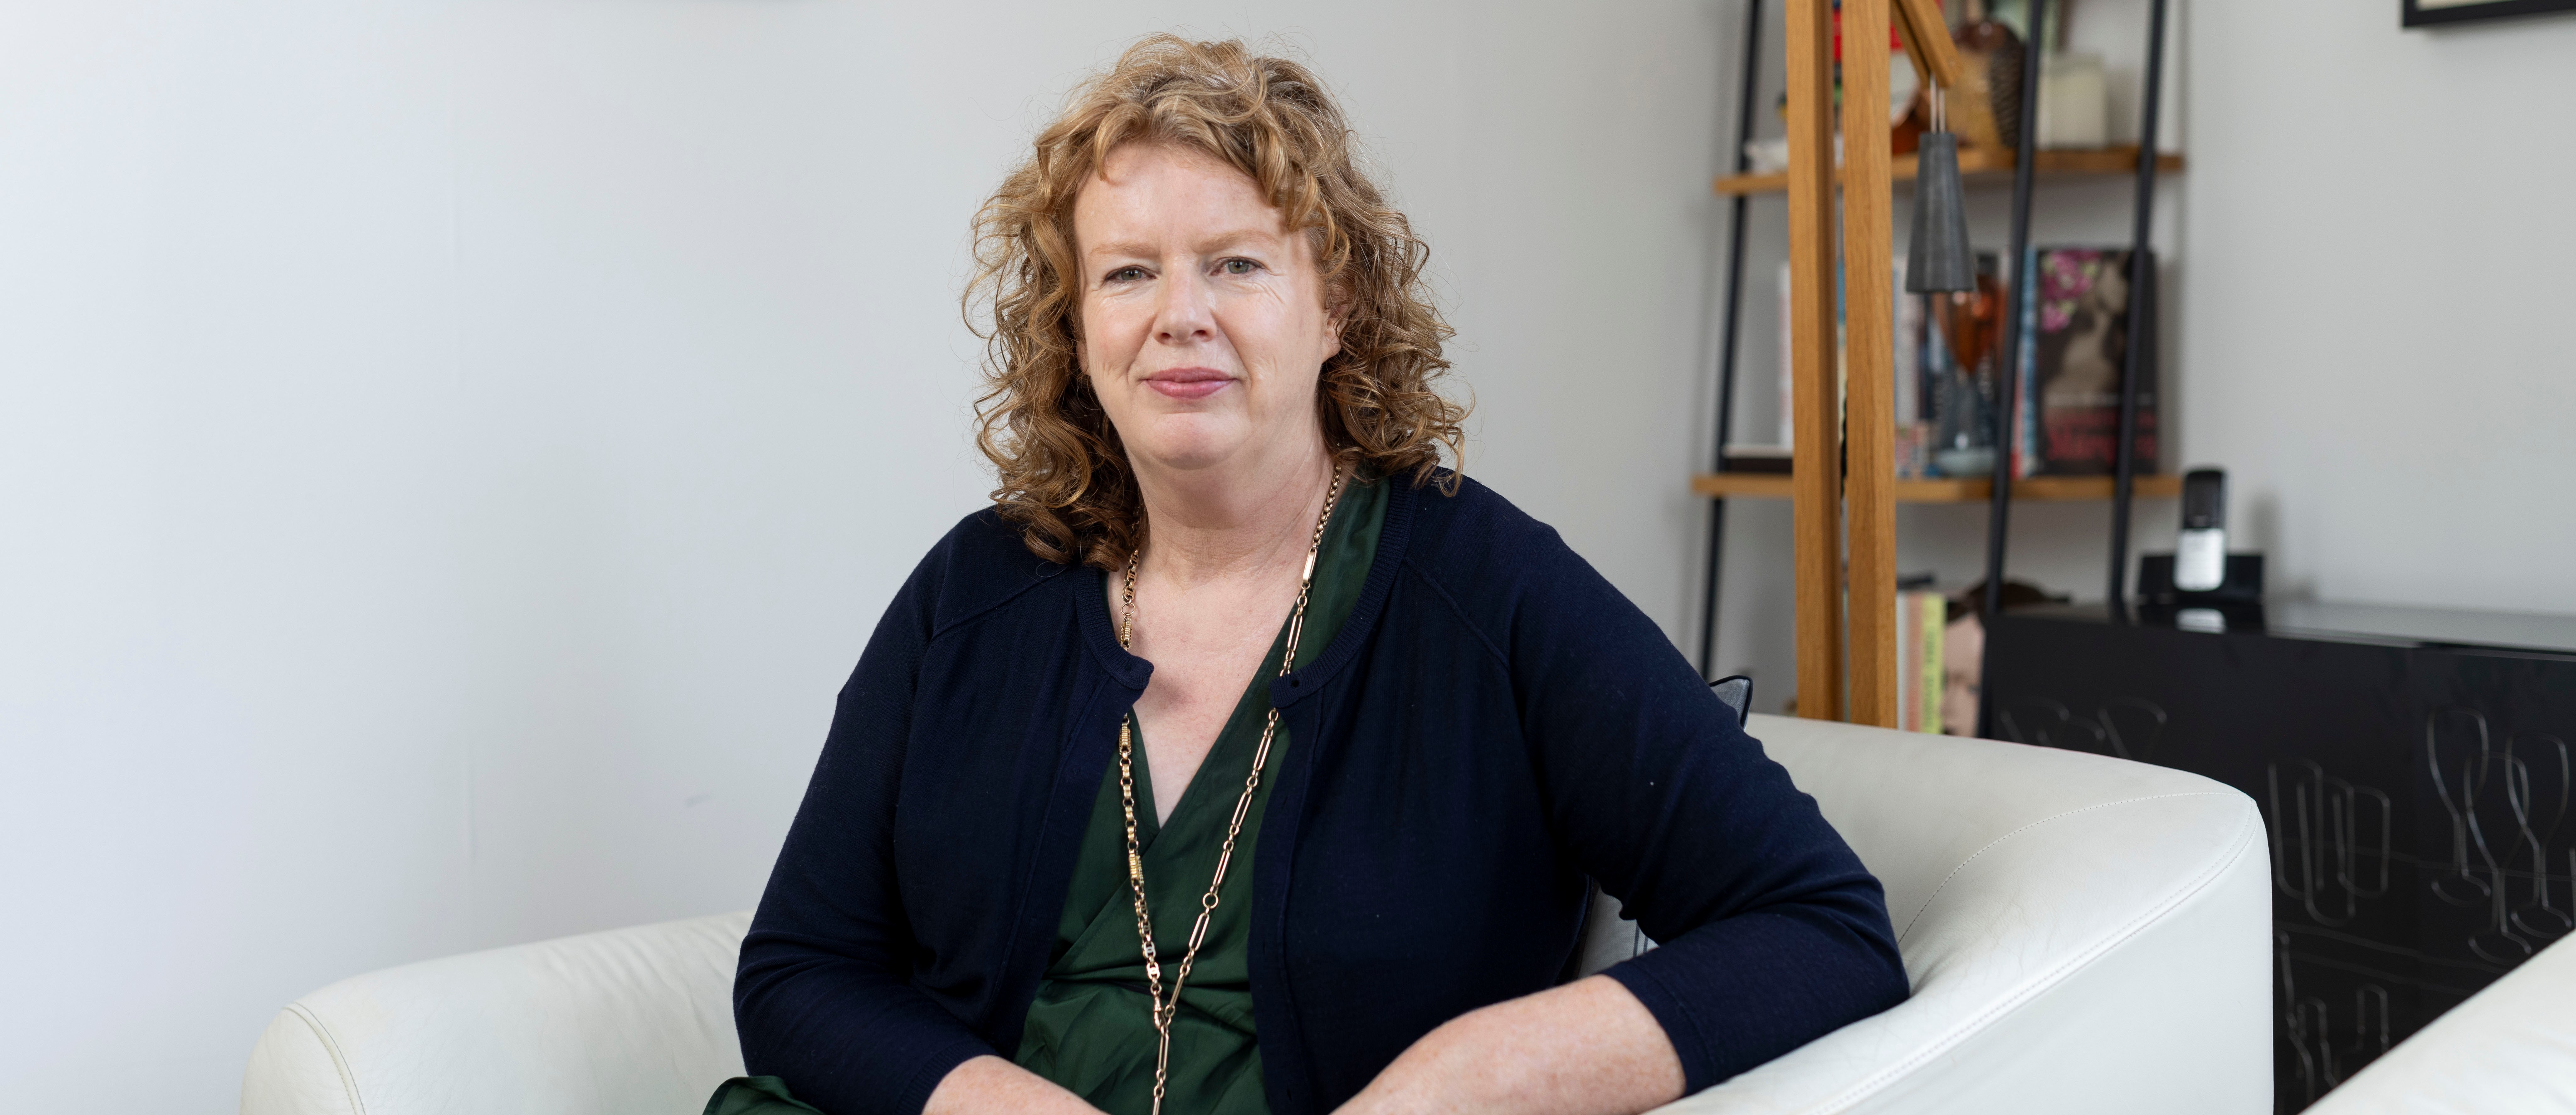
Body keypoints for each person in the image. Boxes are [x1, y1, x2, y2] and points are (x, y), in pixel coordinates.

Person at [722, 35, 1907, 1115]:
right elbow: (799, 969)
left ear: (1335, 303)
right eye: (1128, 274)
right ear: (1076, 325)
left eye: (1236, 264)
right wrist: (989, 1103)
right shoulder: (974, 590)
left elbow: (1822, 930)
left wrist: (1447, 1088)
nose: (1179, 317)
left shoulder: (1485, 589)